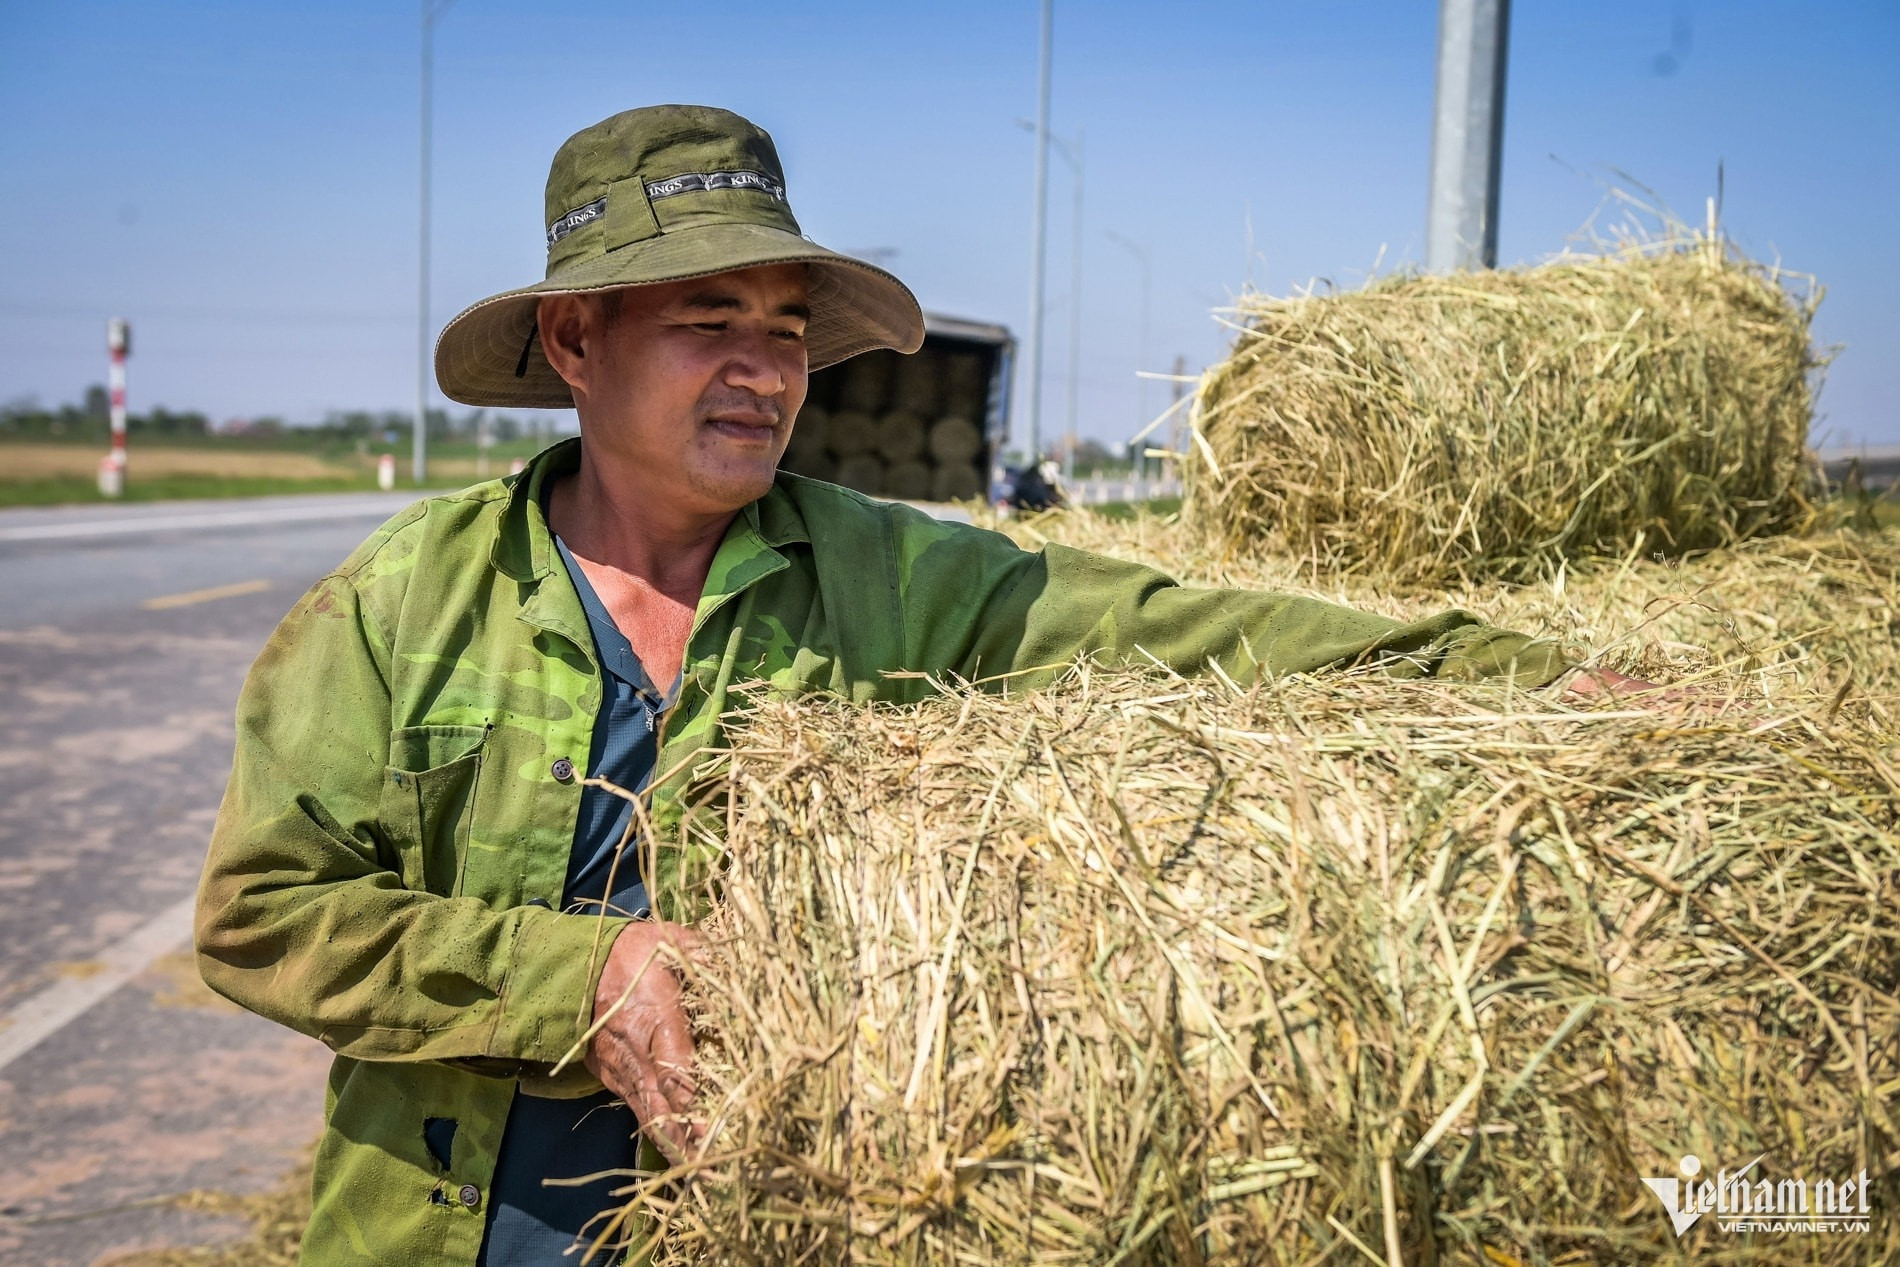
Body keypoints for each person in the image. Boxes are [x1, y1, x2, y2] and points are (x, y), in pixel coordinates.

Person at [195, 105, 1647, 1265]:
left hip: (768, 1218)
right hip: (448, 1229)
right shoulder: (402, 604)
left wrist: (1526, 673)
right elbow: (262, 917)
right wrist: (585, 977)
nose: (765, 369)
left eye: (788, 330)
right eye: (712, 318)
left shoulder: (895, 580)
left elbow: (1190, 627)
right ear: (577, 341)